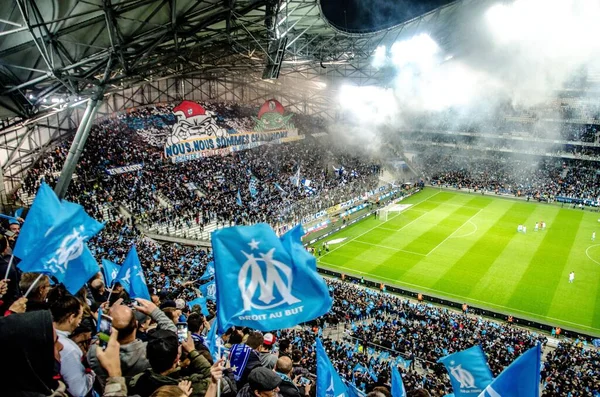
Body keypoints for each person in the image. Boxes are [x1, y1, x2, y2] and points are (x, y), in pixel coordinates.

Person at [128, 329, 212, 397]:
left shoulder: (137, 380)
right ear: (176, 358)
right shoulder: (187, 387)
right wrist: (192, 351)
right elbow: (213, 377)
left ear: (147, 355)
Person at [50, 288, 95, 397]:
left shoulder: (43, 331)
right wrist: (92, 373)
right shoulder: (68, 349)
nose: (80, 322)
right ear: (71, 318)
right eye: (79, 317)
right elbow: (79, 391)